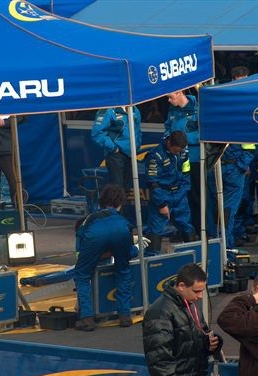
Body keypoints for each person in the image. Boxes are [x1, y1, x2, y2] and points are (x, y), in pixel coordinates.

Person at [74, 184, 134, 331]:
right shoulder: (124, 221)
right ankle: (125, 315)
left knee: (81, 275)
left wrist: (98, 256)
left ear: (102, 201)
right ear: (121, 203)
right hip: (121, 232)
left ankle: (87, 318)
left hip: (95, 235)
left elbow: (80, 250)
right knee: (123, 271)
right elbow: (130, 252)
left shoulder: (90, 219)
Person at [145, 131, 196, 253]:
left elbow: (186, 170)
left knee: (186, 225)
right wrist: (161, 204)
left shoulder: (183, 152)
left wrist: (184, 189)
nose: (178, 153)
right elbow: (153, 182)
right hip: (162, 194)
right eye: (175, 151)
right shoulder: (155, 155)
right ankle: (152, 260)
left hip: (179, 193)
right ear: (169, 143)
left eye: (180, 151)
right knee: (156, 228)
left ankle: (194, 255)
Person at [164, 90, 201, 234]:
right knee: (179, 197)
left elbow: (203, 133)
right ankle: (183, 230)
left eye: (170, 96)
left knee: (196, 196)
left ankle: (199, 230)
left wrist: (182, 139)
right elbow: (167, 128)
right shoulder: (172, 111)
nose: (168, 100)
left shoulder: (197, 108)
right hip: (176, 160)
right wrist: (168, 139)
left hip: (194, 160)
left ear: (180, 93)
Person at [207, 143, 256, 249]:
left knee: (216, 210)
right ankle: (226, 249)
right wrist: (242, 165)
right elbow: (250, 146)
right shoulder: (239, 126)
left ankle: (217, 246)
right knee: (227, 211)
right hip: (232, 170)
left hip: (214, 166)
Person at [91, 107, 142, 188]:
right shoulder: (108, 110)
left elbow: (138, 130)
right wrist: (114, 148)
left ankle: (124, 201)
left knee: (128, 186)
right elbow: (97, 133)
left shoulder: (134, 109)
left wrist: (137, 145)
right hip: (116, 155)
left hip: (131, 154)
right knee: (117, 187)